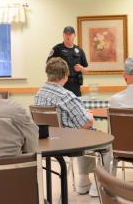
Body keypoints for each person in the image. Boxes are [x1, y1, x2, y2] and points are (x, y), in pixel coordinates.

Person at [34, 57, 109, 197]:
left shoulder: (39, 94)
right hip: (68, 142)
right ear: (65, 75)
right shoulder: (66, 96)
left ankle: (83, 181)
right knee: (103, 140)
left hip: (48, 142)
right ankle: (99, 184)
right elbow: (86, 122)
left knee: (83, 134)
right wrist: (90, 115)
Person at [47, 26, 88, 96]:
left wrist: (81, 68)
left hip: (75, 85)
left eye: (70, 34)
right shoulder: (57, 49)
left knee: (75, 104)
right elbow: (49, 65)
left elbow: (86, 70)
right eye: (66, 34)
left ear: (74, 35)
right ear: (63, 35)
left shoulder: (79, 50)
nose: (68, 36)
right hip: (60, 84)